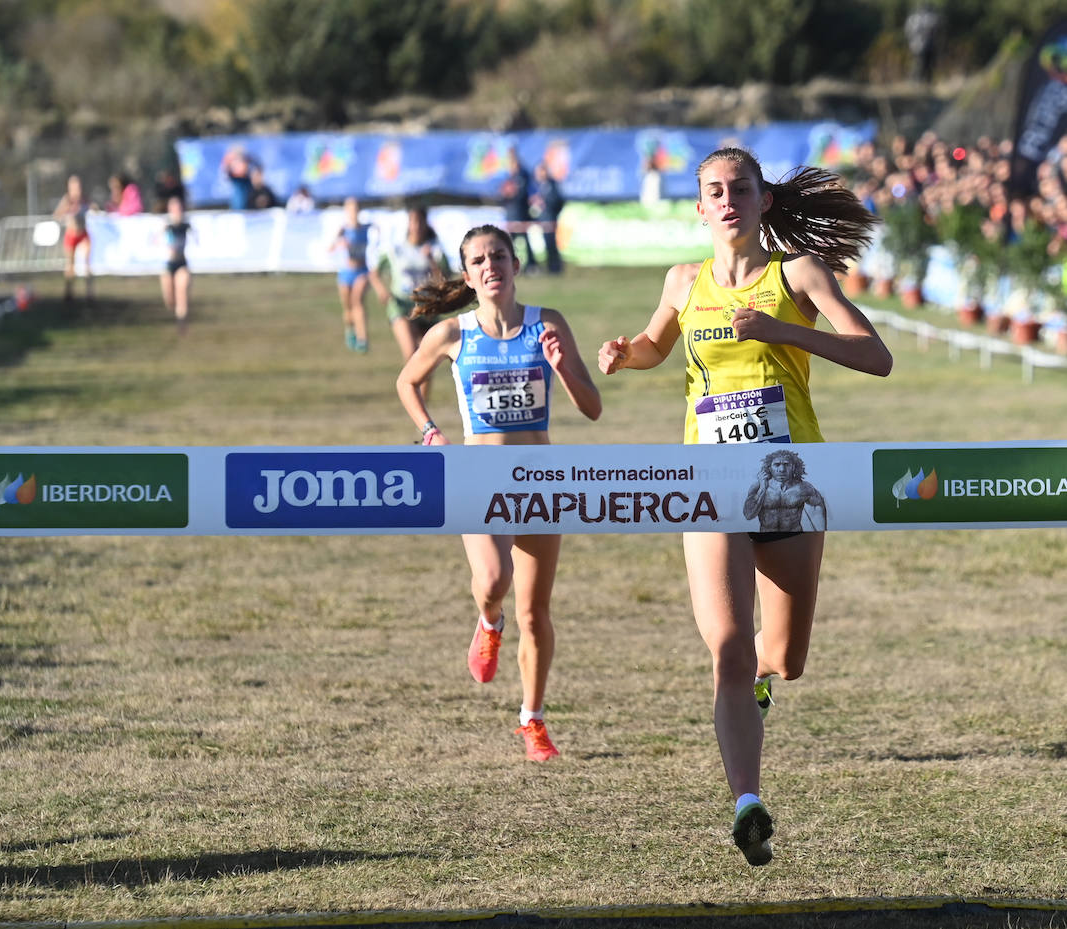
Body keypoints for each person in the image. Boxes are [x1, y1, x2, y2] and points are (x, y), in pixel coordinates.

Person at [595, 147, 892, 866]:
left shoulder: (797, 273)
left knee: (782, 658)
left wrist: (781, 329)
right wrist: (623, 353)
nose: (727, 200)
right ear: (699, 207)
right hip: (711, 478)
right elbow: (655, 345)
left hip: (795, 477)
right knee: (727, 647)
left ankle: (762, 682)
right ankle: (748, 802)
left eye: (740, 189)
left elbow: (874, 355)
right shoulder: (683, 281)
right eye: (713, 191)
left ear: (763, 201)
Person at [396, 224, 602, 761]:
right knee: (493, 578)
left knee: (535, 613)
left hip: (541, 479)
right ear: (468, 275)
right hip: (480, 477)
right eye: (479, 260)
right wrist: (429, 431)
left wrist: (562, 369)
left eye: (499, 257)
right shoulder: (452, 335)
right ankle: (488, 622)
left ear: (515, 265)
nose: (491, 266)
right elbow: (406, 382)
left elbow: (592, 406)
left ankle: (533, 721)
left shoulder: (547, 324)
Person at [370, 205, 450, 389]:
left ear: (425, 223)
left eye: (420, 221)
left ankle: (421, 412)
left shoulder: (435, 249)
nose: (416, 226)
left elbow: (444, 281)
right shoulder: (396, 249)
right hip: (401, 305)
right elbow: (374, 273)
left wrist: (431, 260)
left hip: (428, 308)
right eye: (412, 221)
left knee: (428, 360)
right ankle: (413, 400)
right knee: (412, 354)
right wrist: (382, 290)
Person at [330, 196, 373, 353]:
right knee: (348, 308)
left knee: (357, 301)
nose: (353, 212)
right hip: (346, 272)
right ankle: (350, 330)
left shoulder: (367, 228)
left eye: (356, 208)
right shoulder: (343, 229)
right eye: (350, 208)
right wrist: (339, 243)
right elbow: (330, 248)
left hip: (362, 271)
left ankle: (363, 339)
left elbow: (378, 240)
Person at [53, 174, 94, 306]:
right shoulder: (67, 200)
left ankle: (89, 294)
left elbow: (94, 209)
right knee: (70, 265)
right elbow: (57, 215)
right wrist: (66, 210)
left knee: (88, 264)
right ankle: (69, 292)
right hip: (71, 235)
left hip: (83, 234)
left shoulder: (84, 200)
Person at [499, 146, 537, 272]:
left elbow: (523, 194)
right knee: (510, 243)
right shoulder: (508, 176)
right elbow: (502, 196)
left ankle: (531, 264)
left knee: (525, 240)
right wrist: (505, 193)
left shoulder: (523, 174)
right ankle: (511, 264)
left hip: (521, 213)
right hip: (510, 214)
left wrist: (513, 192)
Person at [161, 195, 193, 336]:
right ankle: (175, 311)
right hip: (168, 265)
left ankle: (182, 324)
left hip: (182, 263)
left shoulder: (187, 226)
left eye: (179, 207)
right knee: (169, 300)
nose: (177, 210)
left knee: (182, 292)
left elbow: (197, 242)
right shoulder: (166, 226)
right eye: (174, 207)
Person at [531, 162, 564, 274]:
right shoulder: (537, 186)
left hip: (550, 219)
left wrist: (545, 203)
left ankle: (556, 267)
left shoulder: (552, 185)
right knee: (546, 243)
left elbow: (558, 201)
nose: (539, 174)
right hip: (542, 219)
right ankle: (550, 267)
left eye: (541, 171)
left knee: (551, 243)